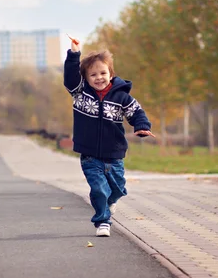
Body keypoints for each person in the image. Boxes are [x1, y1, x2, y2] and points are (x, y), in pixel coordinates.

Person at [64, 37, 155, 237]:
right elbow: (70, 77)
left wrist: (141, 126)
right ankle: (102, 221)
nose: (99, 78)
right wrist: (74, 55)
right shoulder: (80, 93)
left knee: (118, 189)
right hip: (90, 155)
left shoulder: (121, 96)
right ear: (85, 78)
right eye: (93, 74)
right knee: (98, 190)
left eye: (103, 73)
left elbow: (137, 112)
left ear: (111, 74)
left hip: (114, 154)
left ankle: (110, 203)